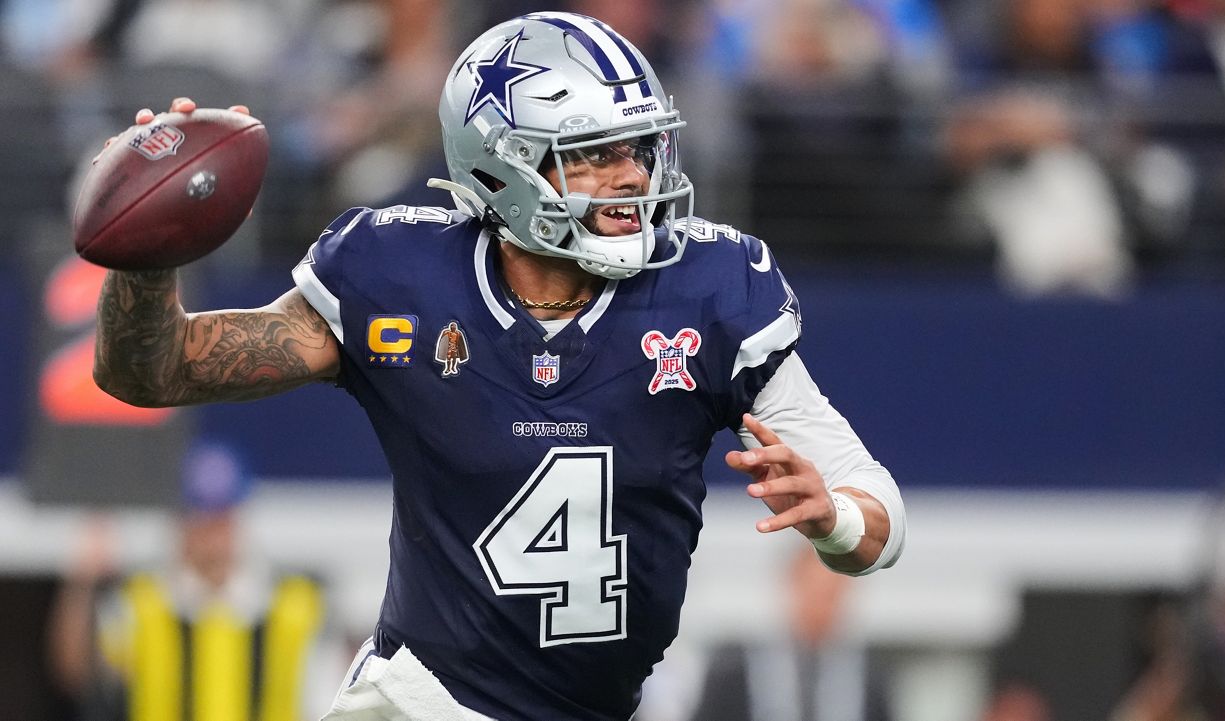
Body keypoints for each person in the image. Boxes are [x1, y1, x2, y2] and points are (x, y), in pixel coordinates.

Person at [90, 11, 906, 720]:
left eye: (639, 148)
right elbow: (156, 372)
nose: (630, 176)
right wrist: (147, 256)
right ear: (499, 166)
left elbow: (880, 514)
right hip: (422, 700)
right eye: (590, 153)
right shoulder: (398, 274)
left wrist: (831, 516)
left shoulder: (711, 293)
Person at [46, 442, 335, 721]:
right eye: (200, 516)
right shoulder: (143, 602)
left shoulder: (296, 605)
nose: (211, 532)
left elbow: (330, 703)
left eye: (220, 516)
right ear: (179, 522)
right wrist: (81, 583)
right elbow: (76, 673)